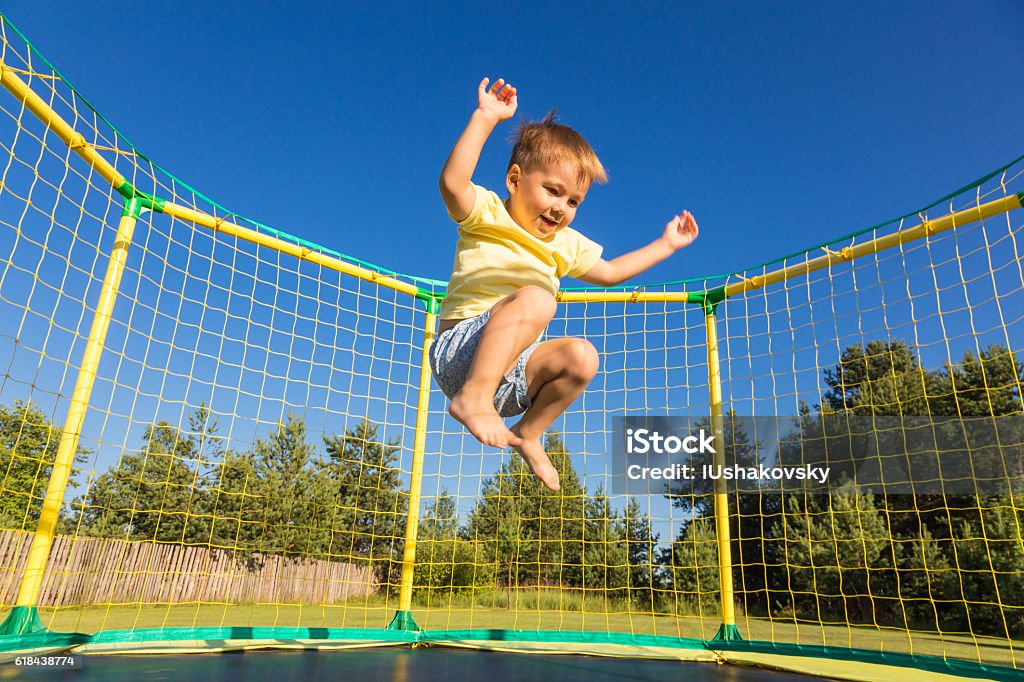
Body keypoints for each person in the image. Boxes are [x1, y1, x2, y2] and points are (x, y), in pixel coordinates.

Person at [431, 77, 699, 492]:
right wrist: (486, 118)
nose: (561, 208)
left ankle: (529, 432)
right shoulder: (486, 212)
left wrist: (666, 245)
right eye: (552, 191)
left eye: (573, 201)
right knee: (539, 300)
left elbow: (610, 273)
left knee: (582, 356)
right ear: (515, 180)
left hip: (515, 374)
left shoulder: (565, 244)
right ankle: (473, 398)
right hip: (460, 352)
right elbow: (452, 183)